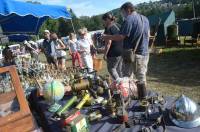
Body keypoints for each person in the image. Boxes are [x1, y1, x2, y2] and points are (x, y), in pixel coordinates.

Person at [102, 2, 150, 86]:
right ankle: (143, 96)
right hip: (145, 53)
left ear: (128, 10)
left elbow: (121, 36)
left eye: (122, 12)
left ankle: (130, 97)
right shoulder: (145, 18)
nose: (122, 15)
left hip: (132, 54)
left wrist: (107, 37)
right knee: (142, 79)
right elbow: (148, 35)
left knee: (127, 78)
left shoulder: (129, 19)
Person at [102, 13, 123, 81]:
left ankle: (120, 84)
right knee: (119, 70)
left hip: (113, 52)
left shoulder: (108, 28)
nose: (103, 22)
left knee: (112, 69)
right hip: (121, 50)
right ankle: (123, 85)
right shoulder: (118, 25)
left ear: (107, 19)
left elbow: (108, 43)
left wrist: (105, 54)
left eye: (104, 20)